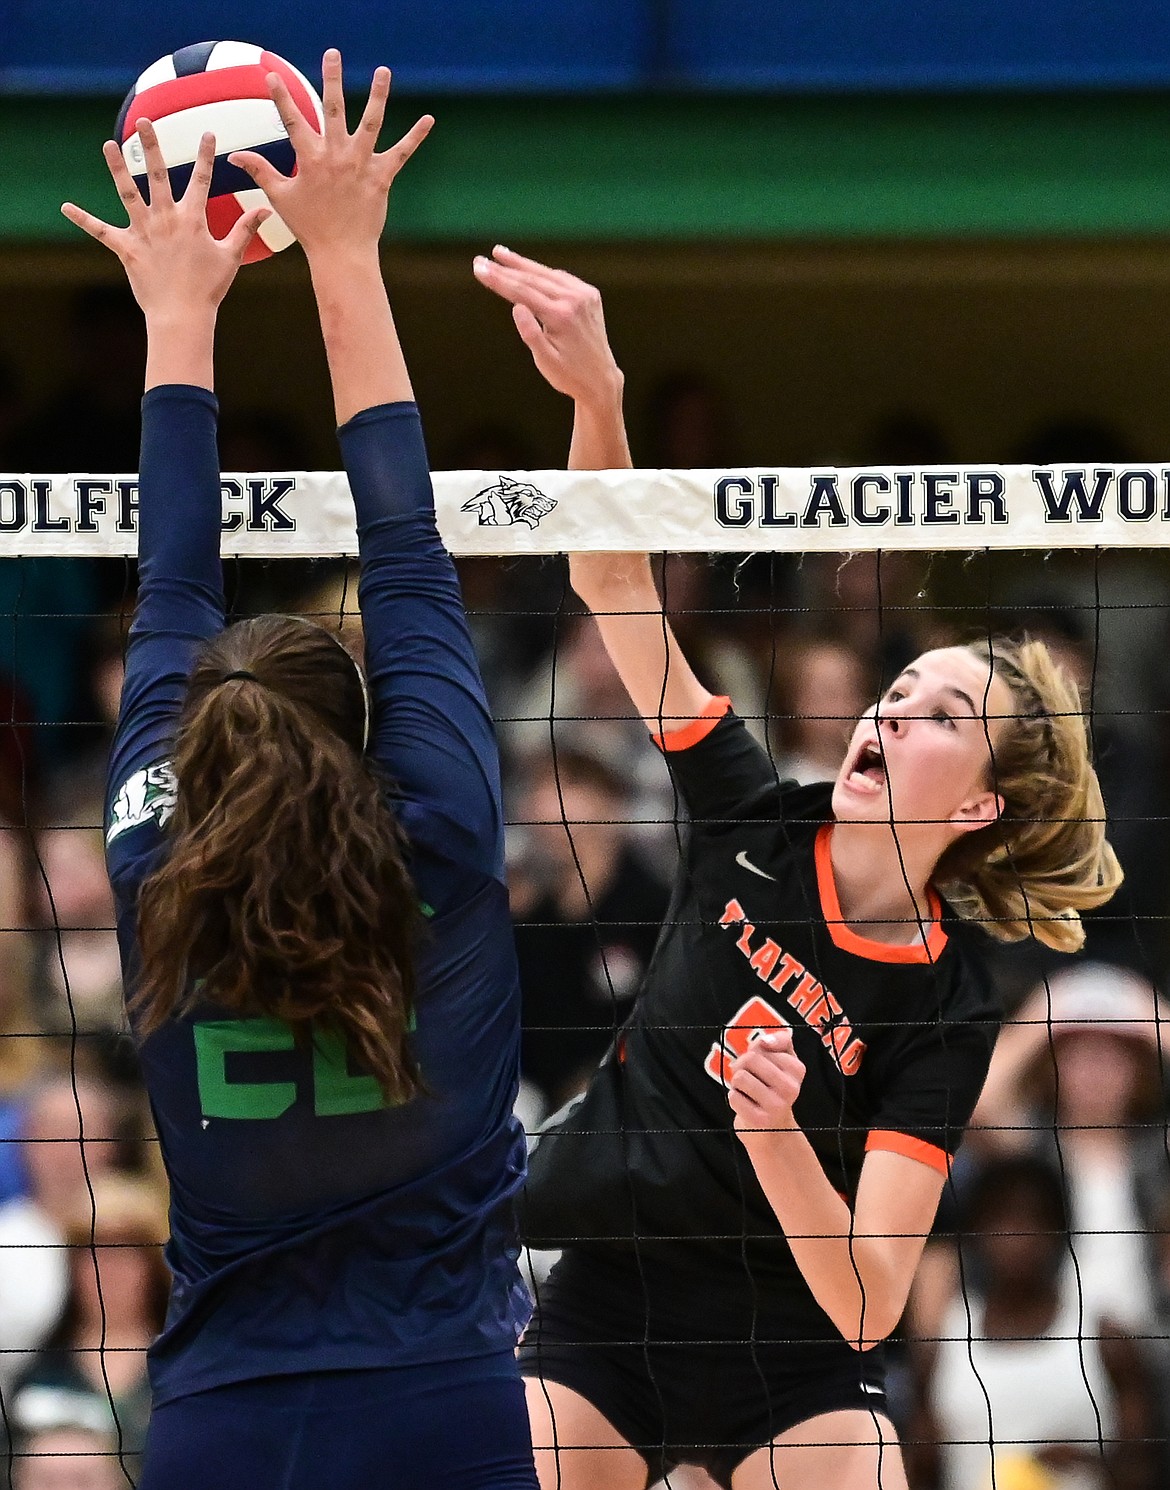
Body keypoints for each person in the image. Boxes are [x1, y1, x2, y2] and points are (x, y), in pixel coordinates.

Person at [472, 246, 1123, 1490]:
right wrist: (598, 396)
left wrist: (773, 1130)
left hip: (796, 1339)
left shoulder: (948, 998)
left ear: (980, 802)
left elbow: (874, 1294)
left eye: (939, 713)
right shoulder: (752, 813)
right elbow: (611, 576)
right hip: (616, 1291)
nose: (891, 708)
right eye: (899, 688)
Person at [64, 53, 537, 1490]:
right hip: (445, 1403)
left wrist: (179, 312)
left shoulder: (151, 858)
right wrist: (344, 252)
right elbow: (397, 544)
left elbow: (171, 581)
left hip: (225, 1424)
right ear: (361, 725)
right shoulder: (438, 834)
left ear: (195, 744)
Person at [914, 1155, 1155, 1490]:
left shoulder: (1106, 1340)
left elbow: (1145, 1471)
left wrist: (1087, 1463)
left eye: (1031, 1219)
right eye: (1000, 1220)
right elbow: (918, 1471)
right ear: (975, 1232)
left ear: (1058, 1229)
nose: (1015, 1236)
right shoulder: (943, 1345)